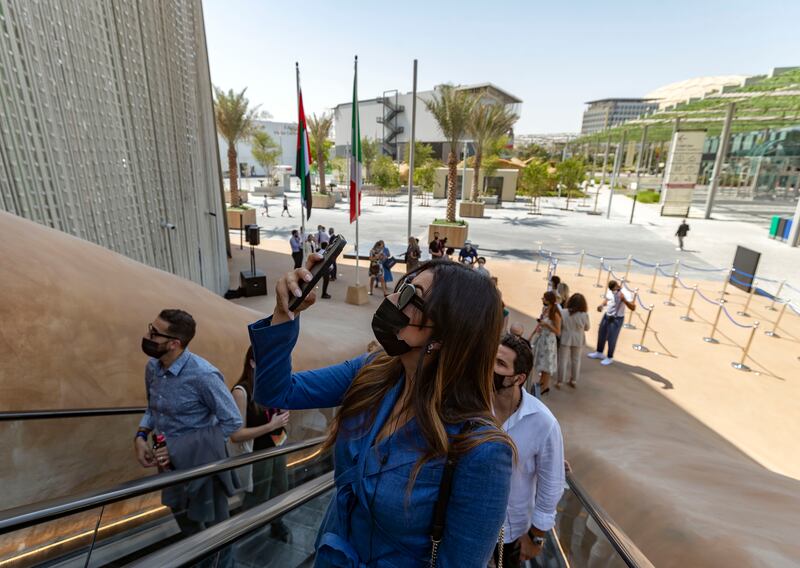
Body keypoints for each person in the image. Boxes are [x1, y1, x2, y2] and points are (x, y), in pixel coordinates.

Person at [248, 258, 514, 566]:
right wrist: (285, 312)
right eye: (402, 286)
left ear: (444, 335)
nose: (389, 299)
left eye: (409, 296)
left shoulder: (483, 451)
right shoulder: (373, 371)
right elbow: (275, 392)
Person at [135, 309, 243, 538]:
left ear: (174, 343)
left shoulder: (203, 375)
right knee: (186, 525)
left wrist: (183, 447)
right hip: (168, 466)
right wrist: (141, 435)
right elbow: (153, 408)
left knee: (218, 533)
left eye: (154, 333)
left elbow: (232, 420)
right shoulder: (152, 368)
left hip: (203, 466)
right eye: (150, 328)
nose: (147, 335)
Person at [493, 334, 565, 566]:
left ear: (518, 378)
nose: (491, 368)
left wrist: (536, 536)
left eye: (501, 364)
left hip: (509, 535)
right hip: (465, 526)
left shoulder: (543, 422)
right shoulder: (472, 404)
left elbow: (551, 484)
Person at [229, 347, 292, 541]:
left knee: (281, 487)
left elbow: (276, 415)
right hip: (257, 453)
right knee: (258, 493)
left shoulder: (270, 387)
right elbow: (236, 434)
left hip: (277, 446)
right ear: (252, 362)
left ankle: (276, 522)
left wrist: (283, 415)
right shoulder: (241, 392)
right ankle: (244, 531)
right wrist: (271, 425)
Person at [587, 280, 635, 366]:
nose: (613, 291)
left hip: (617, 318)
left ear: (617, 286)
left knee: (611, 338)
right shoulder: (611, 290)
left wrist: (624, 300)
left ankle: (609, 357)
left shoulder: (626, 293)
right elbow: (607, 299)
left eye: (614, 289)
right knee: (601, 334)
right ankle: (599, 352)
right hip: (607, 315)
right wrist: (601, 305)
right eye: (611, 290)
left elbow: (633, 307)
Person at [528, 291, 561, 395]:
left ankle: (544, 386)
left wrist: (547, 325)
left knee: (547, 364)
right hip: (542, 339)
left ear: (549, 300)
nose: (542, 299)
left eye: (544, 298)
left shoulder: (555, 314)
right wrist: (532, 335)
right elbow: (540, 324)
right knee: (542, 363)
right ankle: (542, 383)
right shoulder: (545, 310)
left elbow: (558, 331)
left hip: (549, 342)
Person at [557, 293, 590, 389]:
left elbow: (560, 325)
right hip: (578, 339)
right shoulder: (584, 315)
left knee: (562, 360)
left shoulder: (563, 312)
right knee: (576, 360)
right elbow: (587, 328)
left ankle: (560, 381)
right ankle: (573, 380)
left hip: (565, 337)